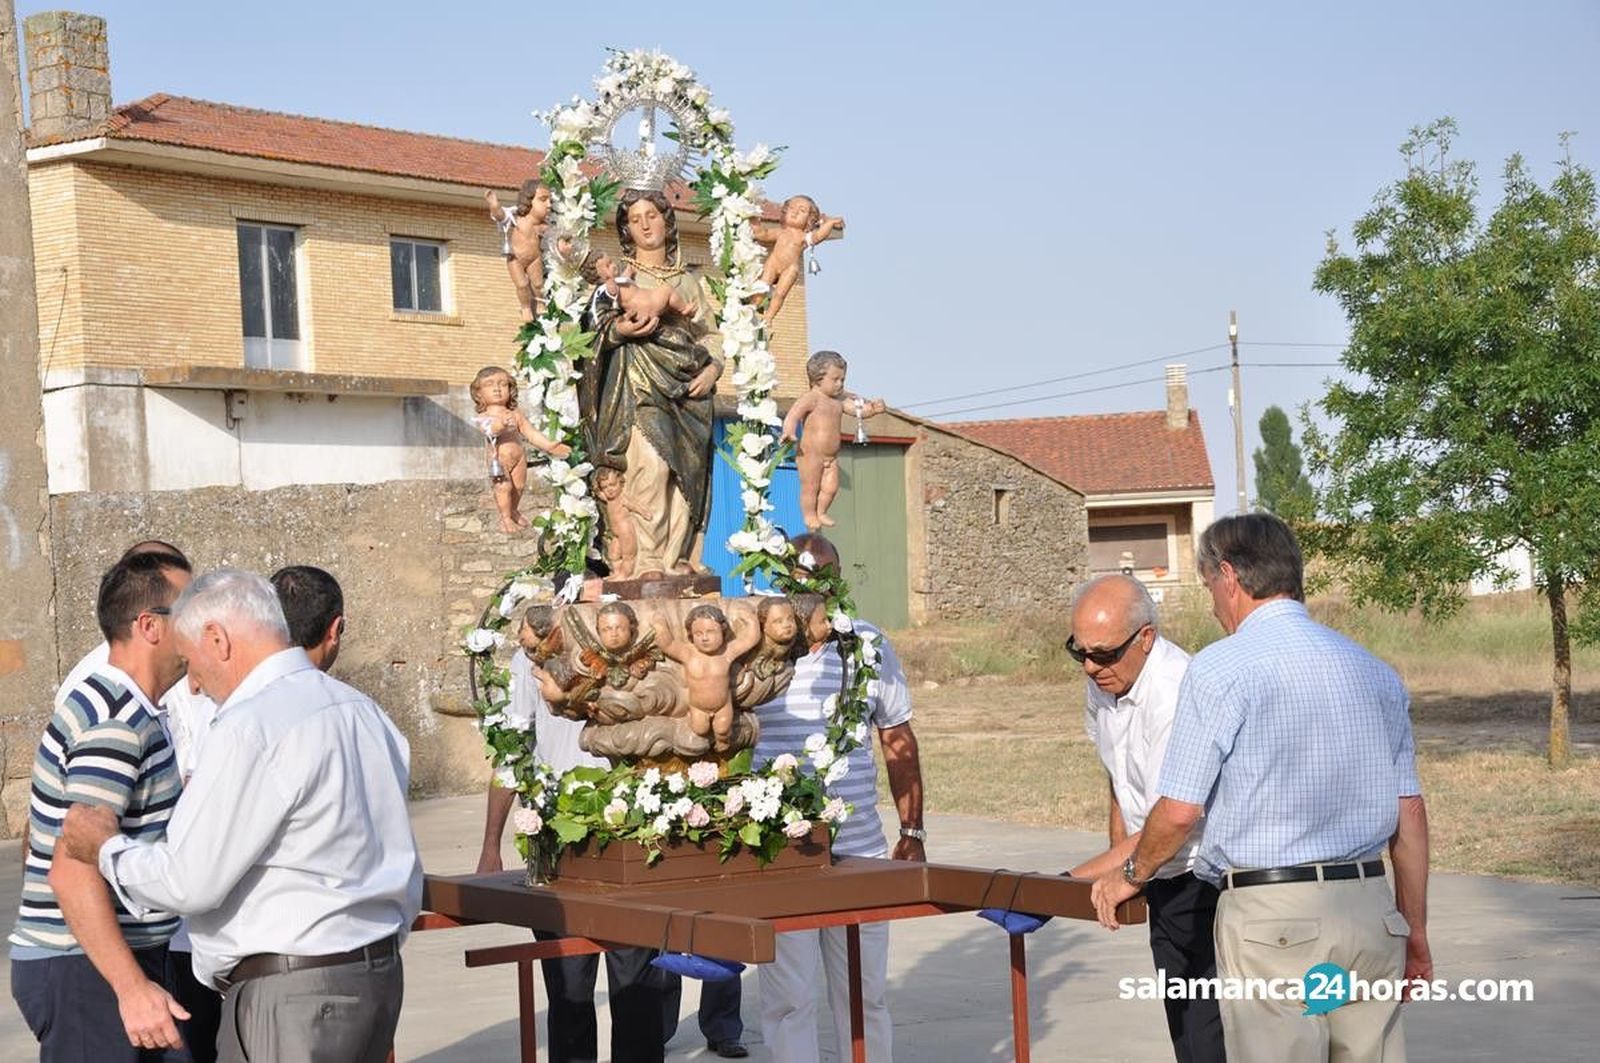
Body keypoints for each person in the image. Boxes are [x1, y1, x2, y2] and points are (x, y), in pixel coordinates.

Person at [1091, 514, 1431, 1063]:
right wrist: (1414, 928)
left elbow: (1178, 812)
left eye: (1207, 587)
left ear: (1229, 576)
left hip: (1273, 918)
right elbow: (1409, 816)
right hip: (1370, 910)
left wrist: (1131, 874)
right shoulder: (1375, 672)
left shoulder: (1221, 668)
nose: (1211, 605)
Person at [57, 568, 423, 1063]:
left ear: (217, 639)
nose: (193, 682)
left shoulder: (251, 726)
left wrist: (107, 851)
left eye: (191, 660)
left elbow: (190, 881)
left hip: (293, 995)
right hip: (374, 973)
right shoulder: (362, 711)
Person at [475, 607, 747, 1060]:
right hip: (560, 831)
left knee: (639, 982)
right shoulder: (534, 658)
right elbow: (513, 748)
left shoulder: (646, 646)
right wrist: (491, 846)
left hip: (633, 825)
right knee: (568, 985)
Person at [12, 549, 193, 1060]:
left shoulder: (133, 709)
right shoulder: (115, 722)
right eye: (191, 610)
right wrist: (131, 988)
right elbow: (72, 866)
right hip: (84, 969)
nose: (203, 624)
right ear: (150, 625)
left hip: (106, 963)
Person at [755, 533, 924, 1063]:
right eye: (797, 582)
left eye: (823, 579)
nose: (810, 593)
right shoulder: (754, 648)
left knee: (865, 994)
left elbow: (896, 738)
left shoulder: (867, 644)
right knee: (789, 1000)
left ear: (839, 581)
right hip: (779, 854)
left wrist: (912, 831)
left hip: (860, 852)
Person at [1064, 575, 1223, 1063]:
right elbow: (1117, 772)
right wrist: (1121, 868)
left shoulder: (1176, 693)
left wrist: (1060, 887)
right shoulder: (1108, 678)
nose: (1091, 667)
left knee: (1212, 1035)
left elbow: (1172, 819)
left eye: (1104, 654)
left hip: (1206, 884)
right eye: (1080, 652)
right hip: (1159, 875)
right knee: (1185, 1034)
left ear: (1146, 638)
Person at [587, 188, 722, 578]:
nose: (645, 224)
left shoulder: (689, 281)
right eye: (635, 219)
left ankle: (676, 557)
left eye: (653, 215)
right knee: (651, 466)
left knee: (687, 473)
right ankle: (645, 560)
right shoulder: (619, 279)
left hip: (689, 387)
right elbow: (592, 329)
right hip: (639, 381)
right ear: (626, 229)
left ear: (667, 220)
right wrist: (620, 332)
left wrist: (712, 370)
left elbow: (710, 335)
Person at [779, 350, 886, 533]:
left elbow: (857, 411)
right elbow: (793, 415)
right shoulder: (812, 398)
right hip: (810, 455)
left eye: (842, 380)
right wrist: (788, 431)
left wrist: (873, 409)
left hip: (831, 456)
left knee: (831, 487)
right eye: (835, 379)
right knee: (810, 487)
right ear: (817, 378)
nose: (840, 384)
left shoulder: (839, 401)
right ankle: (809, 514)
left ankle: (821, 512)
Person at [470, 365, 574, 534]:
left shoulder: (515, 413)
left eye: (502, 384)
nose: (497, 389)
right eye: (490, 385)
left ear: (510, 389)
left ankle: (514, 510)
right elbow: (490, 430)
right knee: (504, 487)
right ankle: (505, 518)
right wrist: (501, 424)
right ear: (479, 393)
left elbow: (530, 432)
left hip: (519, 456)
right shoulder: (482, 416)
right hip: (499, 460)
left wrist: (549, 445)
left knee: (518, 486)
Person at [753, 194, 843, 322]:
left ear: (809, 220)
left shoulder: (802, 237)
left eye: (802, 211)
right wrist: (752, 218)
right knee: (762, 285)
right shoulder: (780, 232)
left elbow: (818, 236)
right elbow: (763, 234)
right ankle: (752, 307)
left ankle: (768, 317)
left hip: (790, 268)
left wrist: (830, 223)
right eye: (792, 208)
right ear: (784, 212)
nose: (795, 212)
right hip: (773, 263)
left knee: (780, 294)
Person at [486, 179, 552, 322]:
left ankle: (541, 304)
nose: (549, 205)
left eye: (550, 201)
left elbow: (556, 235)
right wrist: (495, 205)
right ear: (528, 200)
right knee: (522, 285)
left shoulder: (544, 225)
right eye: (543, 200)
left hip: (534, 258)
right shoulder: (517, 218)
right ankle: (525, 308)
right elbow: (501, 216)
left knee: (538, 284)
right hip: (515, 257)